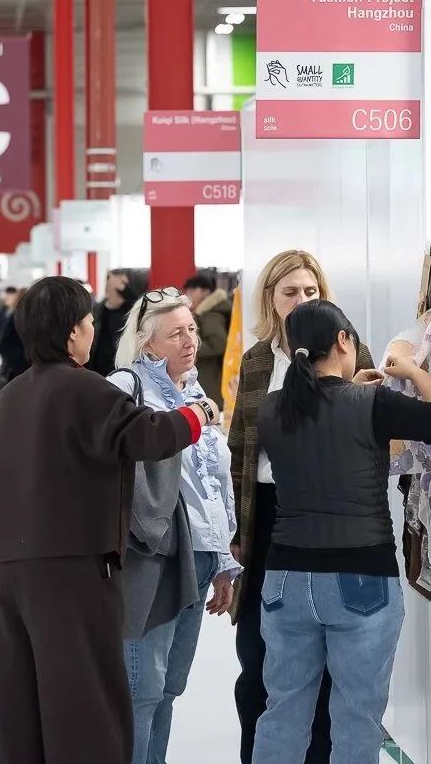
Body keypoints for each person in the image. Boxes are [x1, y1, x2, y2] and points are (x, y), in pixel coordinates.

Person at [0, 276, 218, 764]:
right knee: (85, 708)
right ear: (70, 332)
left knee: (22, 704)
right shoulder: (87, 390)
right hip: (73, 570)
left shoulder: (5, 400)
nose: (92, 330)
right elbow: (149, 436)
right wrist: (200, 414)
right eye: (87, 322)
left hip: (9, 578)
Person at [253, 301, 431, 763]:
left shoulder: (271, 409)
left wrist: (351, 392)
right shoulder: (373, 404)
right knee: (357, 720)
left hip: (284, 580)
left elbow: (324, 422)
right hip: (361, 577)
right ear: (343, 340)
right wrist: (410, 370)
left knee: (282, 713)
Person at [229, 250, 376, 764]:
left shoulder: (349, 351)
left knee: (329, 665)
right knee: (257, 658)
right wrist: (236, 533)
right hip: (267, 514)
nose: (300, 300)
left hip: (330, 518)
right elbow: (240, 452)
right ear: (270, 298)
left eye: (310, 291)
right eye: (290, 292)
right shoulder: (256, 361)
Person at [107, 288, 240, 764]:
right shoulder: (125, 388)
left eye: (192, 330)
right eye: (176, 334)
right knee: (141, 687)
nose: (190, 341)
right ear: (146, 343)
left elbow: (214, 484)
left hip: (199, 557)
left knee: (168, 687)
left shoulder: (197, 393)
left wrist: (222, 561)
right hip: (152, 557)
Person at [184, 274, 232, 405]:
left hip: (213, 375)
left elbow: (218, 343)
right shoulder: (211, 310)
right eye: (187, 291)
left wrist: (192, 348)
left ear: (206, 292)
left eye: (193, 290)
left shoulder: (211, 313)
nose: (188, 295)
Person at [88, 268, 140, 376]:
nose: (108, 286)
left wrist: (123, 287)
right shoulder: (98, 309)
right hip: (97, 369)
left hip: (120, 369)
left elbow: (138, 303)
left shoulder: (129, 311)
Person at [0, 286, 29, 392]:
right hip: (22, 362)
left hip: (16, 363)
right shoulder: (25, 317)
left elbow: (4, 341)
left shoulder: (15, 315)